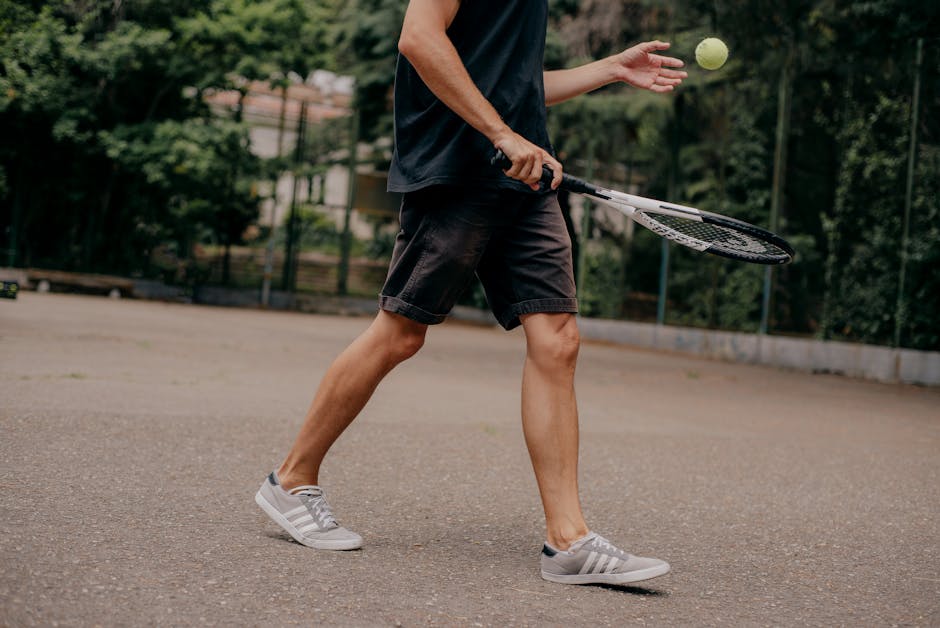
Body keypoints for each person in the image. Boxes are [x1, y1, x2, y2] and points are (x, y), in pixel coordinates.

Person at [256, 0, 687, 586]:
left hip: (525, 175)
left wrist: (609, 68)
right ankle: (291, 480)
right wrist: (502, 134)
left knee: (557, 340)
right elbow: (419, 38)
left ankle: (569, 541)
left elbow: (514, 85)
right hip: (457, 168)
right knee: (401, 332)